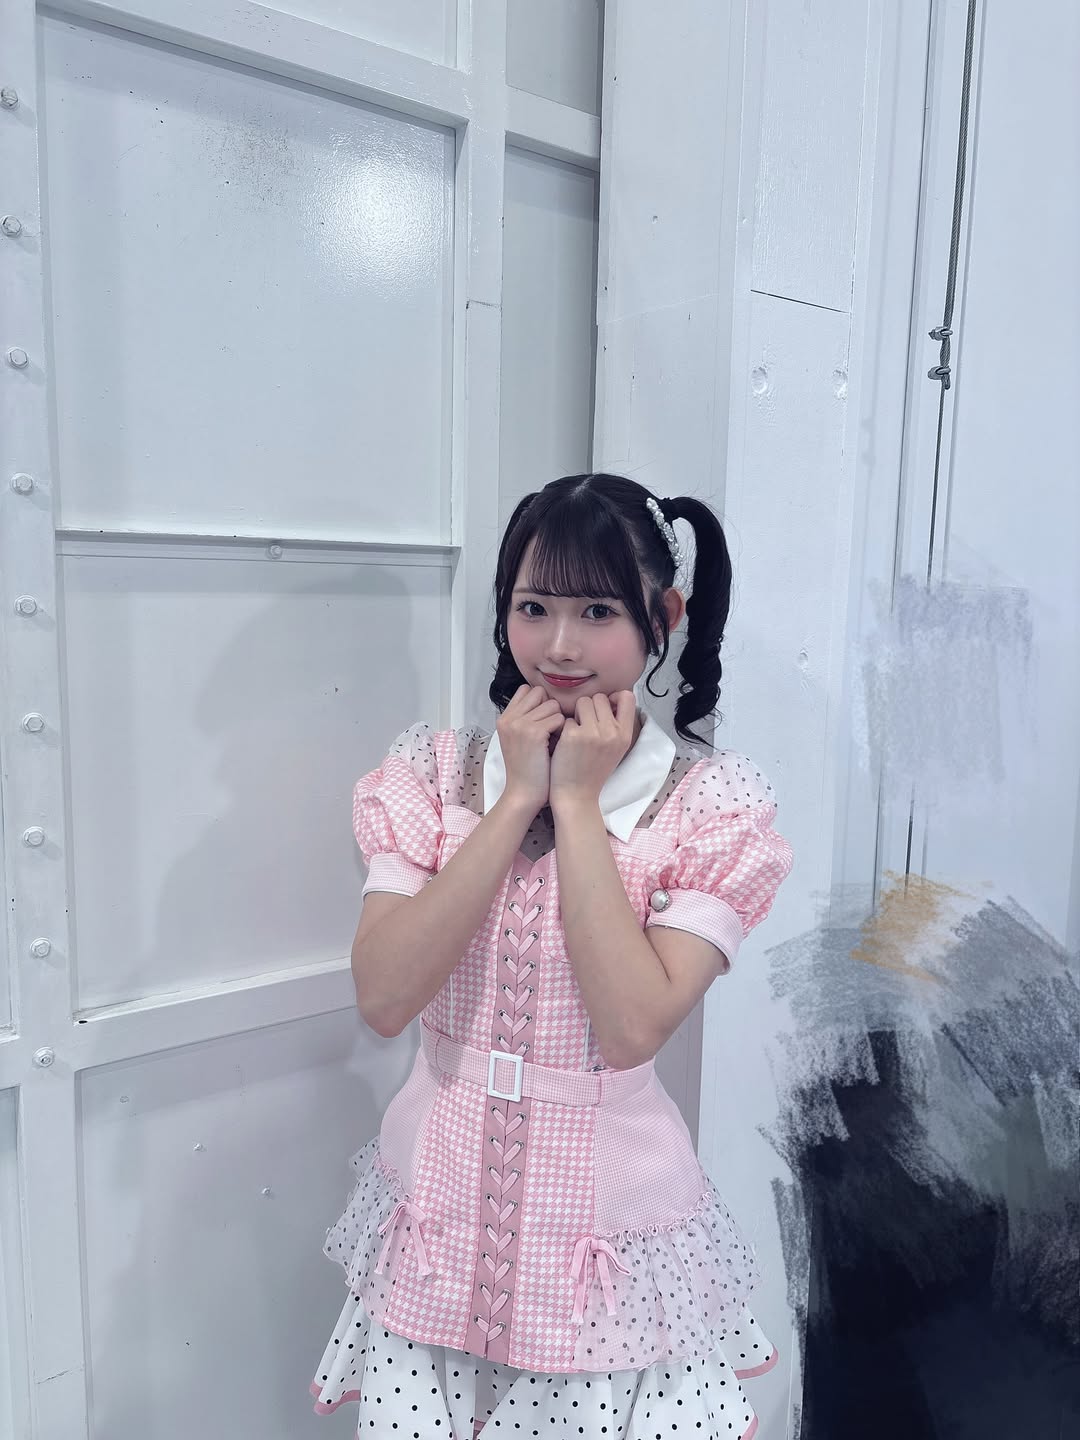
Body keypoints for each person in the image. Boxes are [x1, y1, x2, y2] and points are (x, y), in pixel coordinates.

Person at [310, 473, 794, 1439]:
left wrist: (576, 802)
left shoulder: (708, 807)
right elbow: (385, 999)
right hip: (438, 1219)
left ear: (664, 618)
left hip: (599, 1253)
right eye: (534, 607)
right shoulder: (432, 774)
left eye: (598, 612)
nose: (560, 645)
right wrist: (517, 800)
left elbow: (630, 1029)